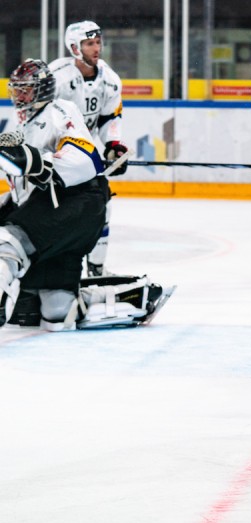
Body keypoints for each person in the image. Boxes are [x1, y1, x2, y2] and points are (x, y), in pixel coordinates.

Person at [1, 59, 168, 331]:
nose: (20, 95)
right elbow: (23, 193)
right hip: (62, 217)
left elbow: (85, 159)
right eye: (17, 89)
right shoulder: (25, 128)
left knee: (7, 242)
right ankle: (129, 296)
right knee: (55, 311)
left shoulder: (59, 110)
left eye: (26, 89)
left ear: (42, 89)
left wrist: (41, 164)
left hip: (74, 202)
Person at [49, 21, 128, 278]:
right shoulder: (56, 77)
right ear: (74, 47)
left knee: (103, 207)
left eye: (98, 42)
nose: (97, 48)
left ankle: (96, 270)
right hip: (57, 158)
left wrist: (114, 146)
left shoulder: (110, 80)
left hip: (89, 157)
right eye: (89, 43)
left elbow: (109, 120)